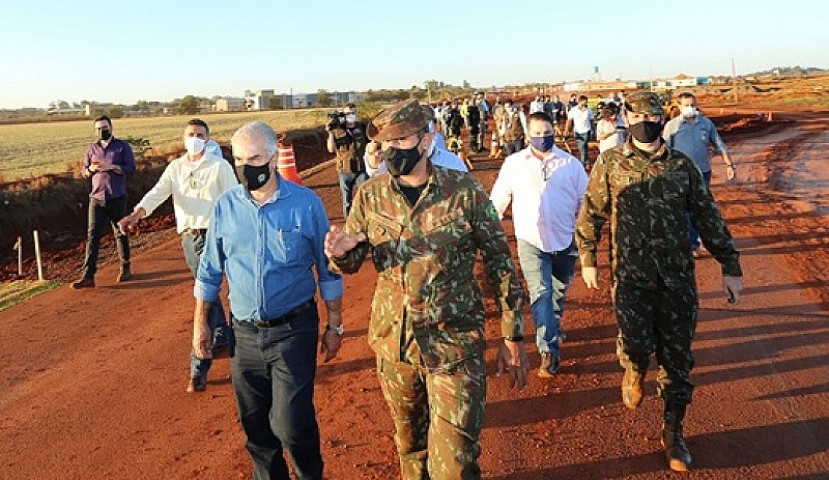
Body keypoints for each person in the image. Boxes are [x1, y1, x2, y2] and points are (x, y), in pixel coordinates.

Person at [324, 99, 528, 479]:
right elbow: (352, 260)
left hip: (454, 341)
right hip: (395, 344)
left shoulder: (462, 190)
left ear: (426, 141)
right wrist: (340, 254)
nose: (390, 150)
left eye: (400, 139)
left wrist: (512, 334)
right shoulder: (370, 196)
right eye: (385, 143)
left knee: (455, 462)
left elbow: (500, 261)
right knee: (411, 449)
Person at [575, 91, 743, 472]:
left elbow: (708, 216)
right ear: (627, 118)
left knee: (677, 359)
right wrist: (587, 258)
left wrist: (730, 265)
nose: (645, 121)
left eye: (652, 114)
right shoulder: (611, 162)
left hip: (676, 278)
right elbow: (592, 212)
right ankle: (633, 369)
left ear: (660, 118)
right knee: (636, 345)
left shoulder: (680, 166)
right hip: (631, 277)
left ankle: (673, 433)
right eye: (638, 115)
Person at [193, 121, 344, 480]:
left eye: (256, 157)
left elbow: (328, 268)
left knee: (292, 425)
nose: (248, 166)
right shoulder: (225, 207)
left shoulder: (306, 205)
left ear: (274, 157)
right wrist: (200, 321)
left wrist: (335, 323)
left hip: (294, 329)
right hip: (243, 334)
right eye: (240, 159)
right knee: (257, 429)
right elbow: (210, 270)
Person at [118, 118, 238, 393]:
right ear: (183, 139)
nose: (194, 138)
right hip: (191, 239)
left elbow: (234, 199)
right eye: (190, 134)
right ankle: (222, 335)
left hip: (218, 235)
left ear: (208, 139)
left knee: (208, 296)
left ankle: (199, 368)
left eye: (199, 134)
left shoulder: (219, 166)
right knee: (207, 295)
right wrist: (136, 215)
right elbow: (157, 193)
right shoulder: (176, 168)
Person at [490, 112, 587, 378]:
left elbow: (584, 201)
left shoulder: (571, 164)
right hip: (530, 240)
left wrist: (582, 231)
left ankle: (552, 325)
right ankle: (548, 351)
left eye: (547, 133)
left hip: (565, 240)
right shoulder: (513, 163)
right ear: (527, 135)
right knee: (541, 291)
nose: (542, 138)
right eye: (537, 133)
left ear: (553, 132)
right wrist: (487, 229)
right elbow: (498, 199)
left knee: (557, 291)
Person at [663, 92, 736, 256]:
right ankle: (688, 242)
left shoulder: (706, 124)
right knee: (684, 208)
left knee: (700, 208)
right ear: (679, 107)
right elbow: (664, 151)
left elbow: (720, 145)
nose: (689, 108)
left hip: (702, 172)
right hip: (679, 173)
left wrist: (729, 165)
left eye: (692, 104)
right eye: (686, 105)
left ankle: (696, 241)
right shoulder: (672, 126)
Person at [71, 115, 136, 289]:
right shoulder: (92, 149)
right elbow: (84, 172)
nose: (102, 131)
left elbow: (131, 168)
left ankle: (125, 267)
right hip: (96, 198)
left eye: (105, 127)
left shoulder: (122, 147)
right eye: (99, 128)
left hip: (117, 197)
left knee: (120, 232)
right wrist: (90, 169)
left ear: (111, 127)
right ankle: (88, 276)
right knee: (92, 236)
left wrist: (113, 167)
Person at [327, 102, 368, 219]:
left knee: (365, 196)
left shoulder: (362, 128)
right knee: (347, 200)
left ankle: (365, 220)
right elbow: (331, 149)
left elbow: (371, 144)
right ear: (343, 115)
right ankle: (349, 223)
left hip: (361, 168)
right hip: (344, 169)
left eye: (353, 113)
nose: (351, 115)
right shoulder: (337, 130)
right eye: (348, 113)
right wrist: (330, 133)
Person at [564, 94, 595, 166]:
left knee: (583, 147)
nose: (585, 105)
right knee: (582, 148)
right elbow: (569, 121)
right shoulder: (573, 110)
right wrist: (567, 130)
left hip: (587, 131)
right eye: (584, 103)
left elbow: (592, 121)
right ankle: (586, 160)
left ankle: (583, 163)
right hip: (577, 132)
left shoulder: (588, 110)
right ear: (579, 102)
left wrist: (593, 130)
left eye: (586, 103)